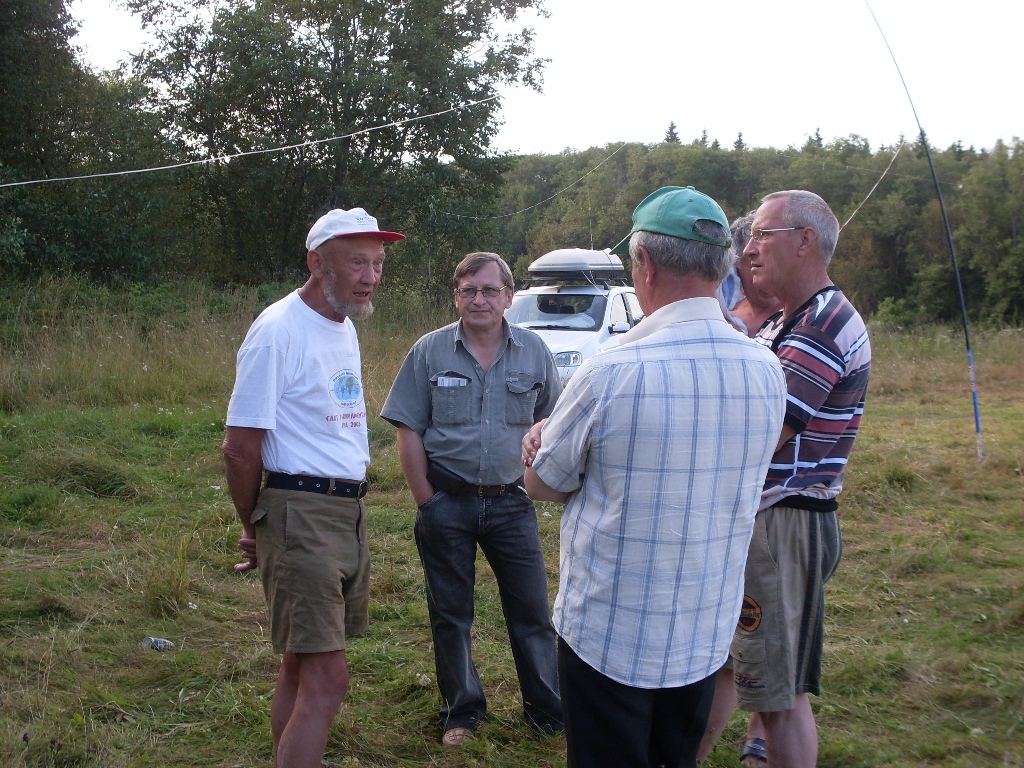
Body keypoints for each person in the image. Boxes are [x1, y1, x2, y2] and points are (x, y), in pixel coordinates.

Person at [522, 186, 788, 768]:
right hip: (704, 630)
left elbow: (543, 484)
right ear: (722, 266)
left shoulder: (611, 371)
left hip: (609, 635)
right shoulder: (768, 369)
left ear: (644, 263)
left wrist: (537, 443)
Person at [222, 207, 404, 768]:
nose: (371, 277)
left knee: (301, 666)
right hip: (300, 511)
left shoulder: (343, 325)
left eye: (377, 263)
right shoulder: (278, 330)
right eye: (357, 263)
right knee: (328, 679)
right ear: (317, 263)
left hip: (345, 511)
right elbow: (239, 446)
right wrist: (255, 525)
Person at [701, 190, 872, 768]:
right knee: (736, 667)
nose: (748, 248)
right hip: (771, 523)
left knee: (777, 695)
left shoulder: (820, 325)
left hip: (782, 525)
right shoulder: (788, 319)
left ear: (804, 241)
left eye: (761, 235)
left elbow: (763, 431)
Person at [380, 252, 564, 746]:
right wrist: (427, 501)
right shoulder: (429, 351)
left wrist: (539, 482)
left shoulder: (534, 352)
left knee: (532, 614)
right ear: (456, 296)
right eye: (468, 291)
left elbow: (554, 422)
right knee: (451, 614)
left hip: (512, 503)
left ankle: (548, 714)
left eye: (489, 290)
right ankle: (461, 712)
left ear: (509, 296)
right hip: (448, 501)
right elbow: (408, 428)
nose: (479, 300)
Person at [717, 211, 783, 337]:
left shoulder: (801, 316)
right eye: (754, 262)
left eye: (774, 259)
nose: (768, 270)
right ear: (737, 266)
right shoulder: (726, 319)